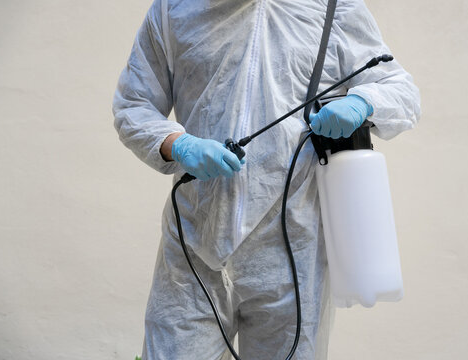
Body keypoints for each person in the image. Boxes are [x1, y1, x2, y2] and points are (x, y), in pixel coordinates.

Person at [113, 0, 420, 359]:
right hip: (193, 250)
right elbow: (134, 104)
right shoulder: (173, 10)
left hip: (292, 256)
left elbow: (400, 90)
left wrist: (363, 101)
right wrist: (177, 144)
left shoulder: (333, 9)